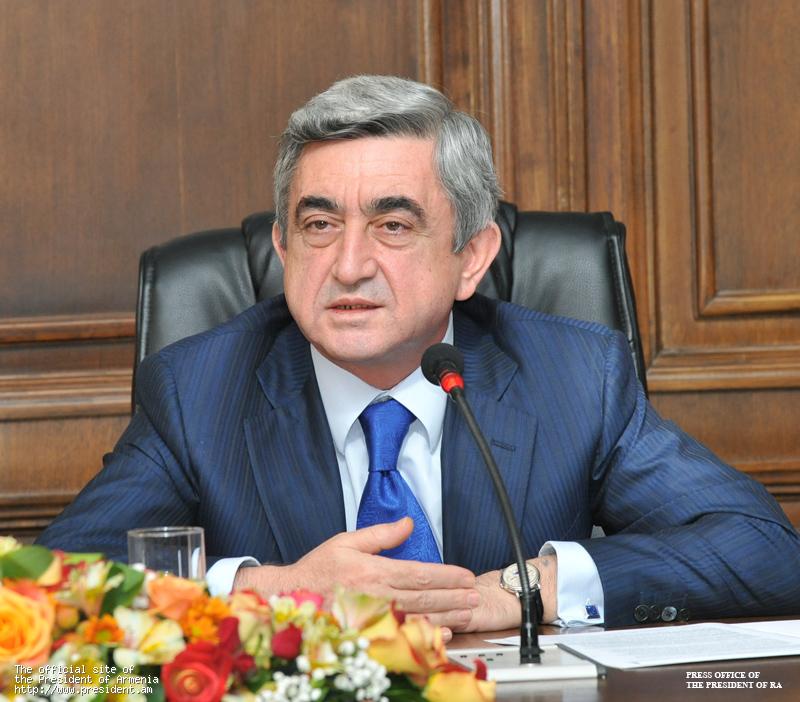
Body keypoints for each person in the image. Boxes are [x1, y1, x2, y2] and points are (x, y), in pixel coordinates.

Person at [38, 75, 800, 637]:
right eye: (318, 225)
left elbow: (766, 551)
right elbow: (41, 591)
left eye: (393, 226)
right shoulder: (199, 390)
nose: (348, 266)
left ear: (473, 257)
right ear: (282, 248)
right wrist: (268, 593)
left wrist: (527, 588)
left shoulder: (573, 375)